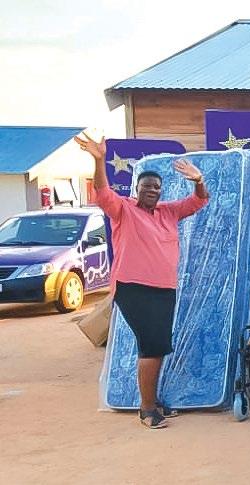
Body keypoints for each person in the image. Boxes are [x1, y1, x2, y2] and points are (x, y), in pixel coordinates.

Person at [74, 132, 209, 429]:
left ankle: (152, 400)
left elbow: (199, 200)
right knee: (152, 345)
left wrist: (198, 180)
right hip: (133, 289)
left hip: (164, 290)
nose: (152, 190)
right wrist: (99, 161)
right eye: (147, 186)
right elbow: (102, 191)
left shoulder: (169, 212)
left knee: (157, 346)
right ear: (137, 189)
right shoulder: (123, 209)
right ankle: (147, 409)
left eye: (156, 187)